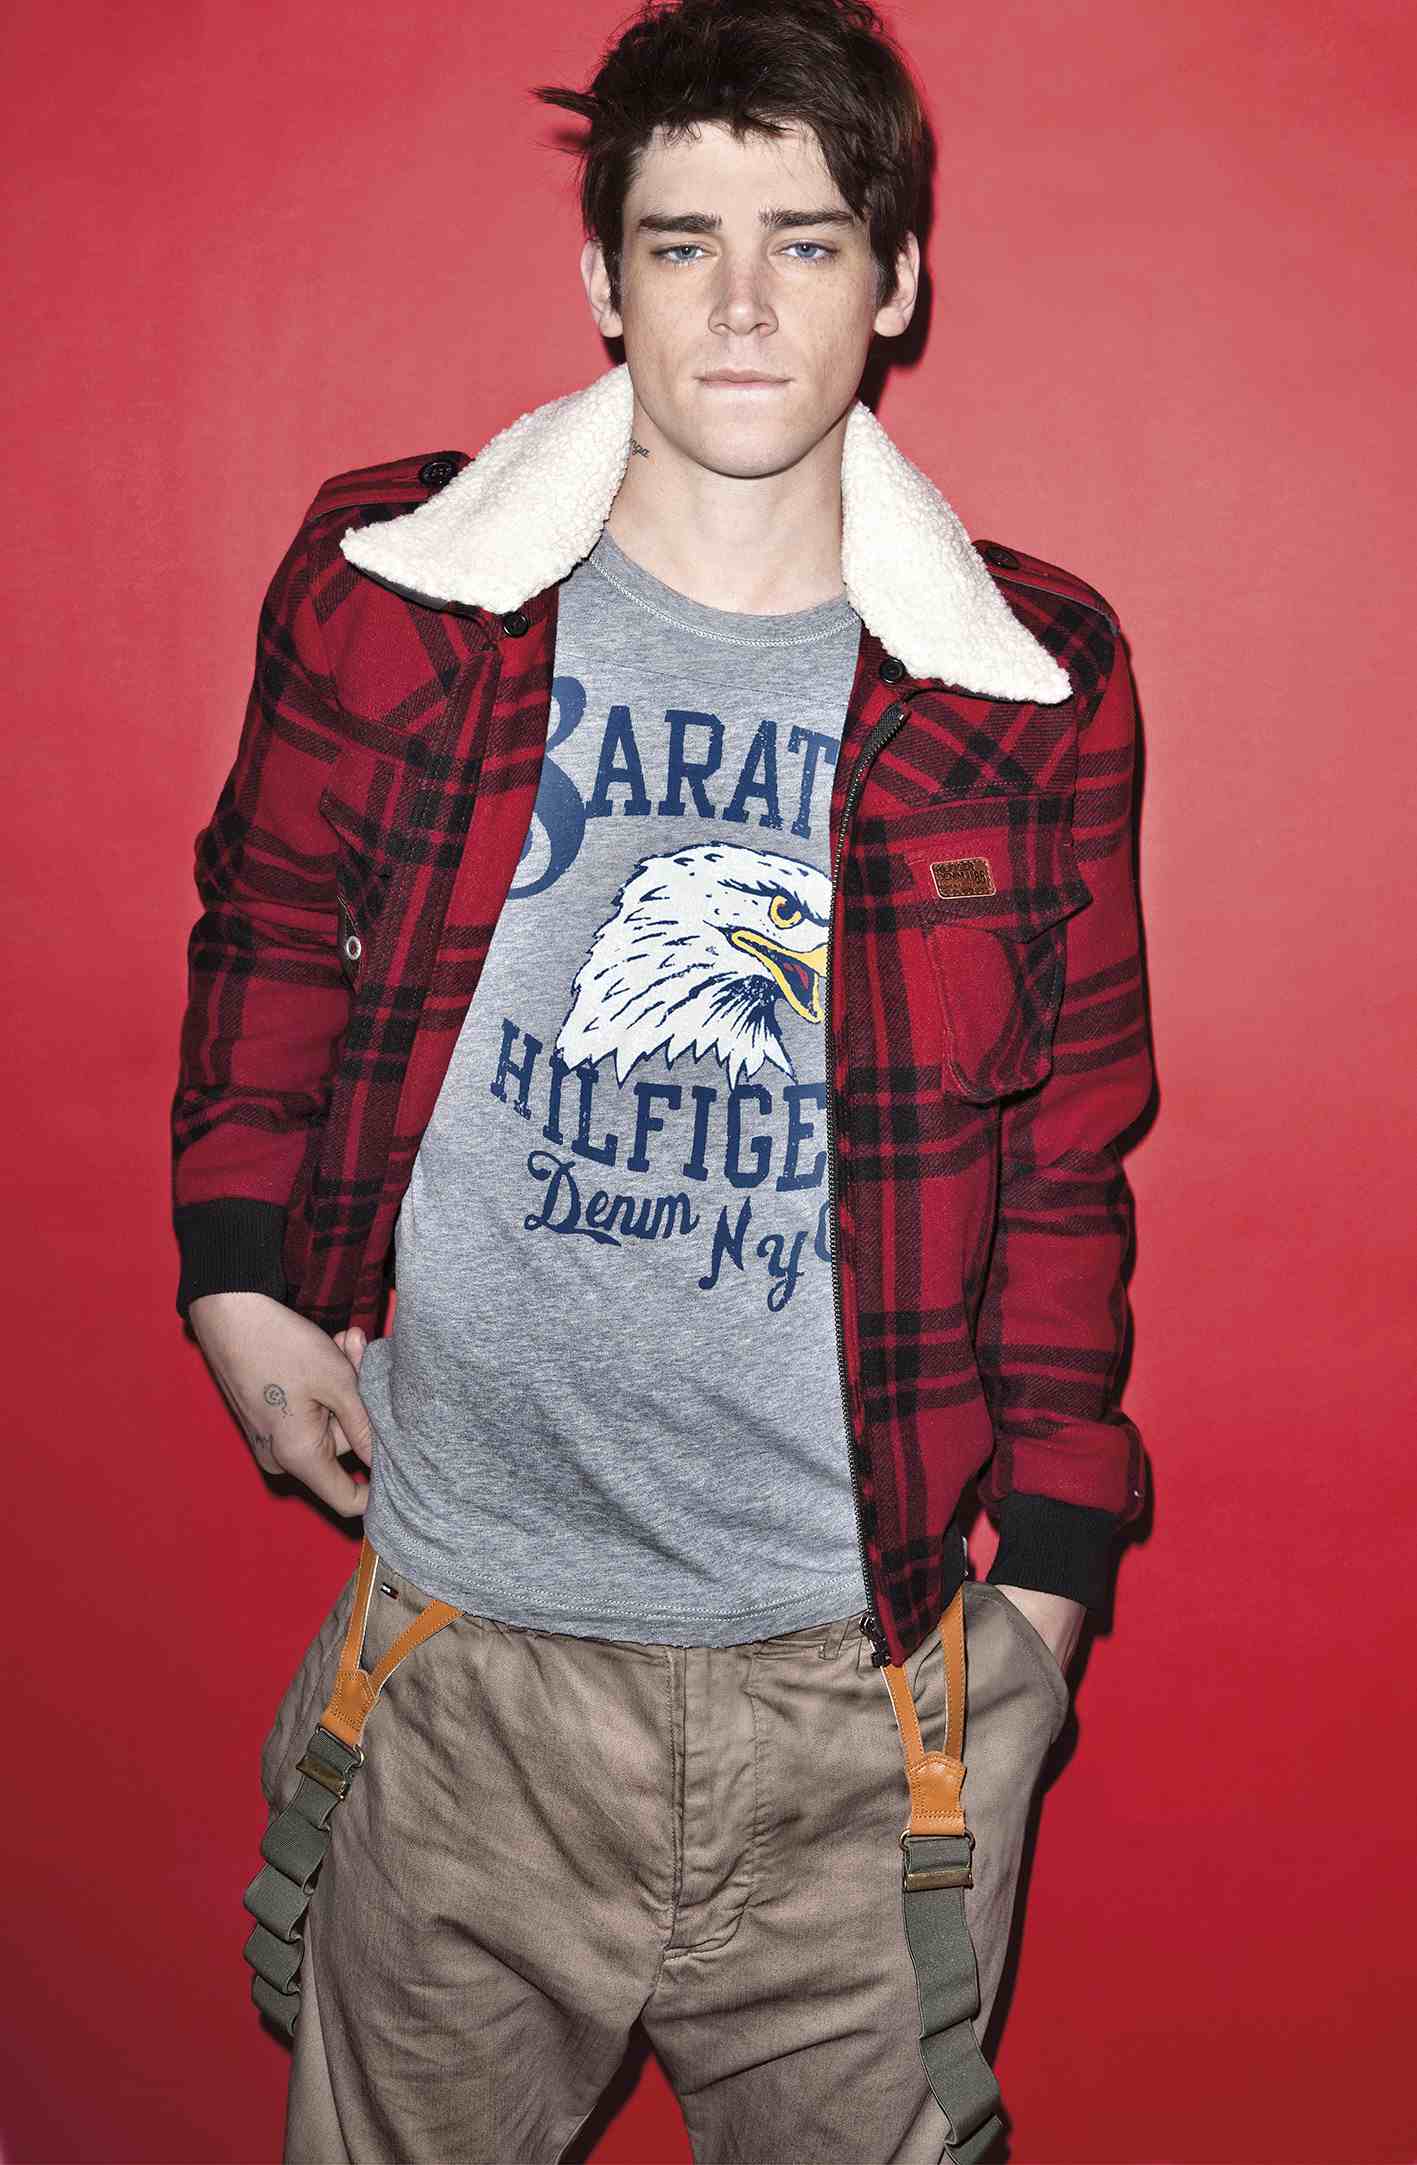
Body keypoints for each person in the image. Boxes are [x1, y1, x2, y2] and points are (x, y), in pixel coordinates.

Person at [171, 1, 1153, 2157]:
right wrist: (236, 1269)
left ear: (896, 282)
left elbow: (1068, 1138)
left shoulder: (1027, 680)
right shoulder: (399, 594)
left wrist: (1053, 1586)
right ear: (600, 279)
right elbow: (266, 925)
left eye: (805, 243)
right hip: (466, 1665)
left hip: (866, 1693)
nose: (739, 303)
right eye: (681, 241)